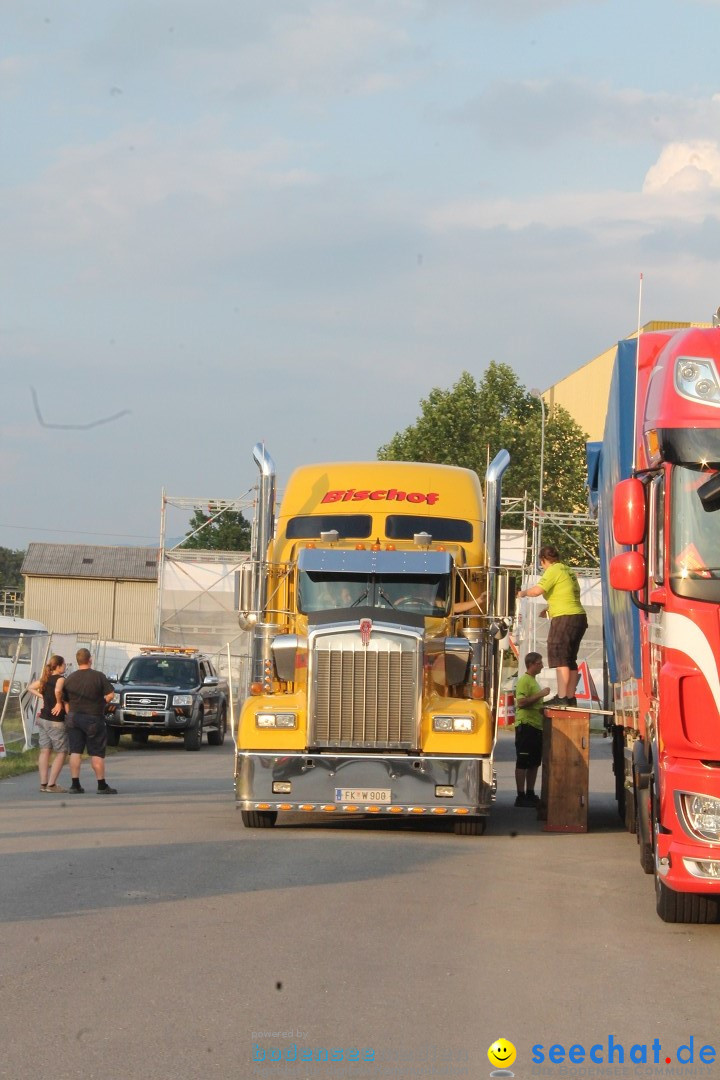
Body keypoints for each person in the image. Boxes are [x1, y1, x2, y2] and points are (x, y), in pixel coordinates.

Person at [517, 545, 588, 706]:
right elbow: (567, 593)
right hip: (578, 617)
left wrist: (522, 593)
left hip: (565, 618)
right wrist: (549, 608)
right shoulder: (567, 570)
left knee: (559, 655)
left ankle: (562, 697)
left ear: (543, 561)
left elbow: (536, 591)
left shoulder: (553, 570)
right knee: (570, 659)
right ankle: (570, 697)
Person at [62, 648, 118, 794]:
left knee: (75, 751)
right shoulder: (98, 676)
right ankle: (101, 785)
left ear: (77, 661)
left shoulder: (70, 678)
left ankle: (75, 784)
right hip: (94, 718)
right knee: (96, 752)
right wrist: (103, 702)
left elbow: (65, 700)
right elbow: (111, 694)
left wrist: (70, 714)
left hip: (74, 718)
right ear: (90, 659)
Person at [513, 652, 551, 807]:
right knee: (523, 761)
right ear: (533, 664)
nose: (542, 665)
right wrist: (540, 694)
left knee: (534, 762)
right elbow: (521, 702)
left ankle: (530, 792)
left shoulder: (533, 681)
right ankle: (520, 795)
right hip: (526, 725)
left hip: (536, 726)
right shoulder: (524, 681)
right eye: (540, 663)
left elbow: (534, 703)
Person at [28, 655, 68, 793]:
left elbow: (30, 688)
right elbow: (58, 690)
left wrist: (42, 696)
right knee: (62, 752)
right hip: (55, 720)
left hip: (43, 718)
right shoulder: (61, 679)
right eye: (64, 664)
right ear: (58, 666)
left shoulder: (46, 679)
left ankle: (43, 783)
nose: (65, 667)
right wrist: (58, 702)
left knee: (45, 751)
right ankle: (52, 785)